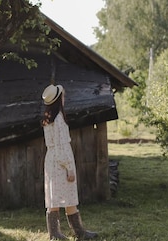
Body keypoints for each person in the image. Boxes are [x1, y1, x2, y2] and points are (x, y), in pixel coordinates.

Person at [42, 84, 98, 240]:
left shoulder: (48, 118)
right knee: (67, 195)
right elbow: (61, 146)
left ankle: (58, 233)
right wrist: (69, 168)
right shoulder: (58, 119)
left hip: (52, 160)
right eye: (63, 96)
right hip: (60, 161)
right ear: (60, 99)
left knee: (56, 196)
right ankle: (76, 232)